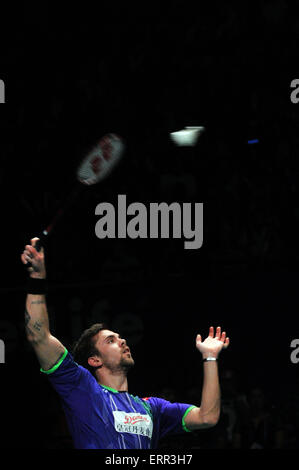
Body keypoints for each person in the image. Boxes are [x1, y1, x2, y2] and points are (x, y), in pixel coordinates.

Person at [21, 237, 230, 449]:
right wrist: (37, 277)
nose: (122, 341)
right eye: (110, 340)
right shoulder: (83, 389)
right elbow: (39, 336)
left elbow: (207, 417)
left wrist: (210, 357)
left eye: (120, 337)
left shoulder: (153, 409)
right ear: (94, 360)